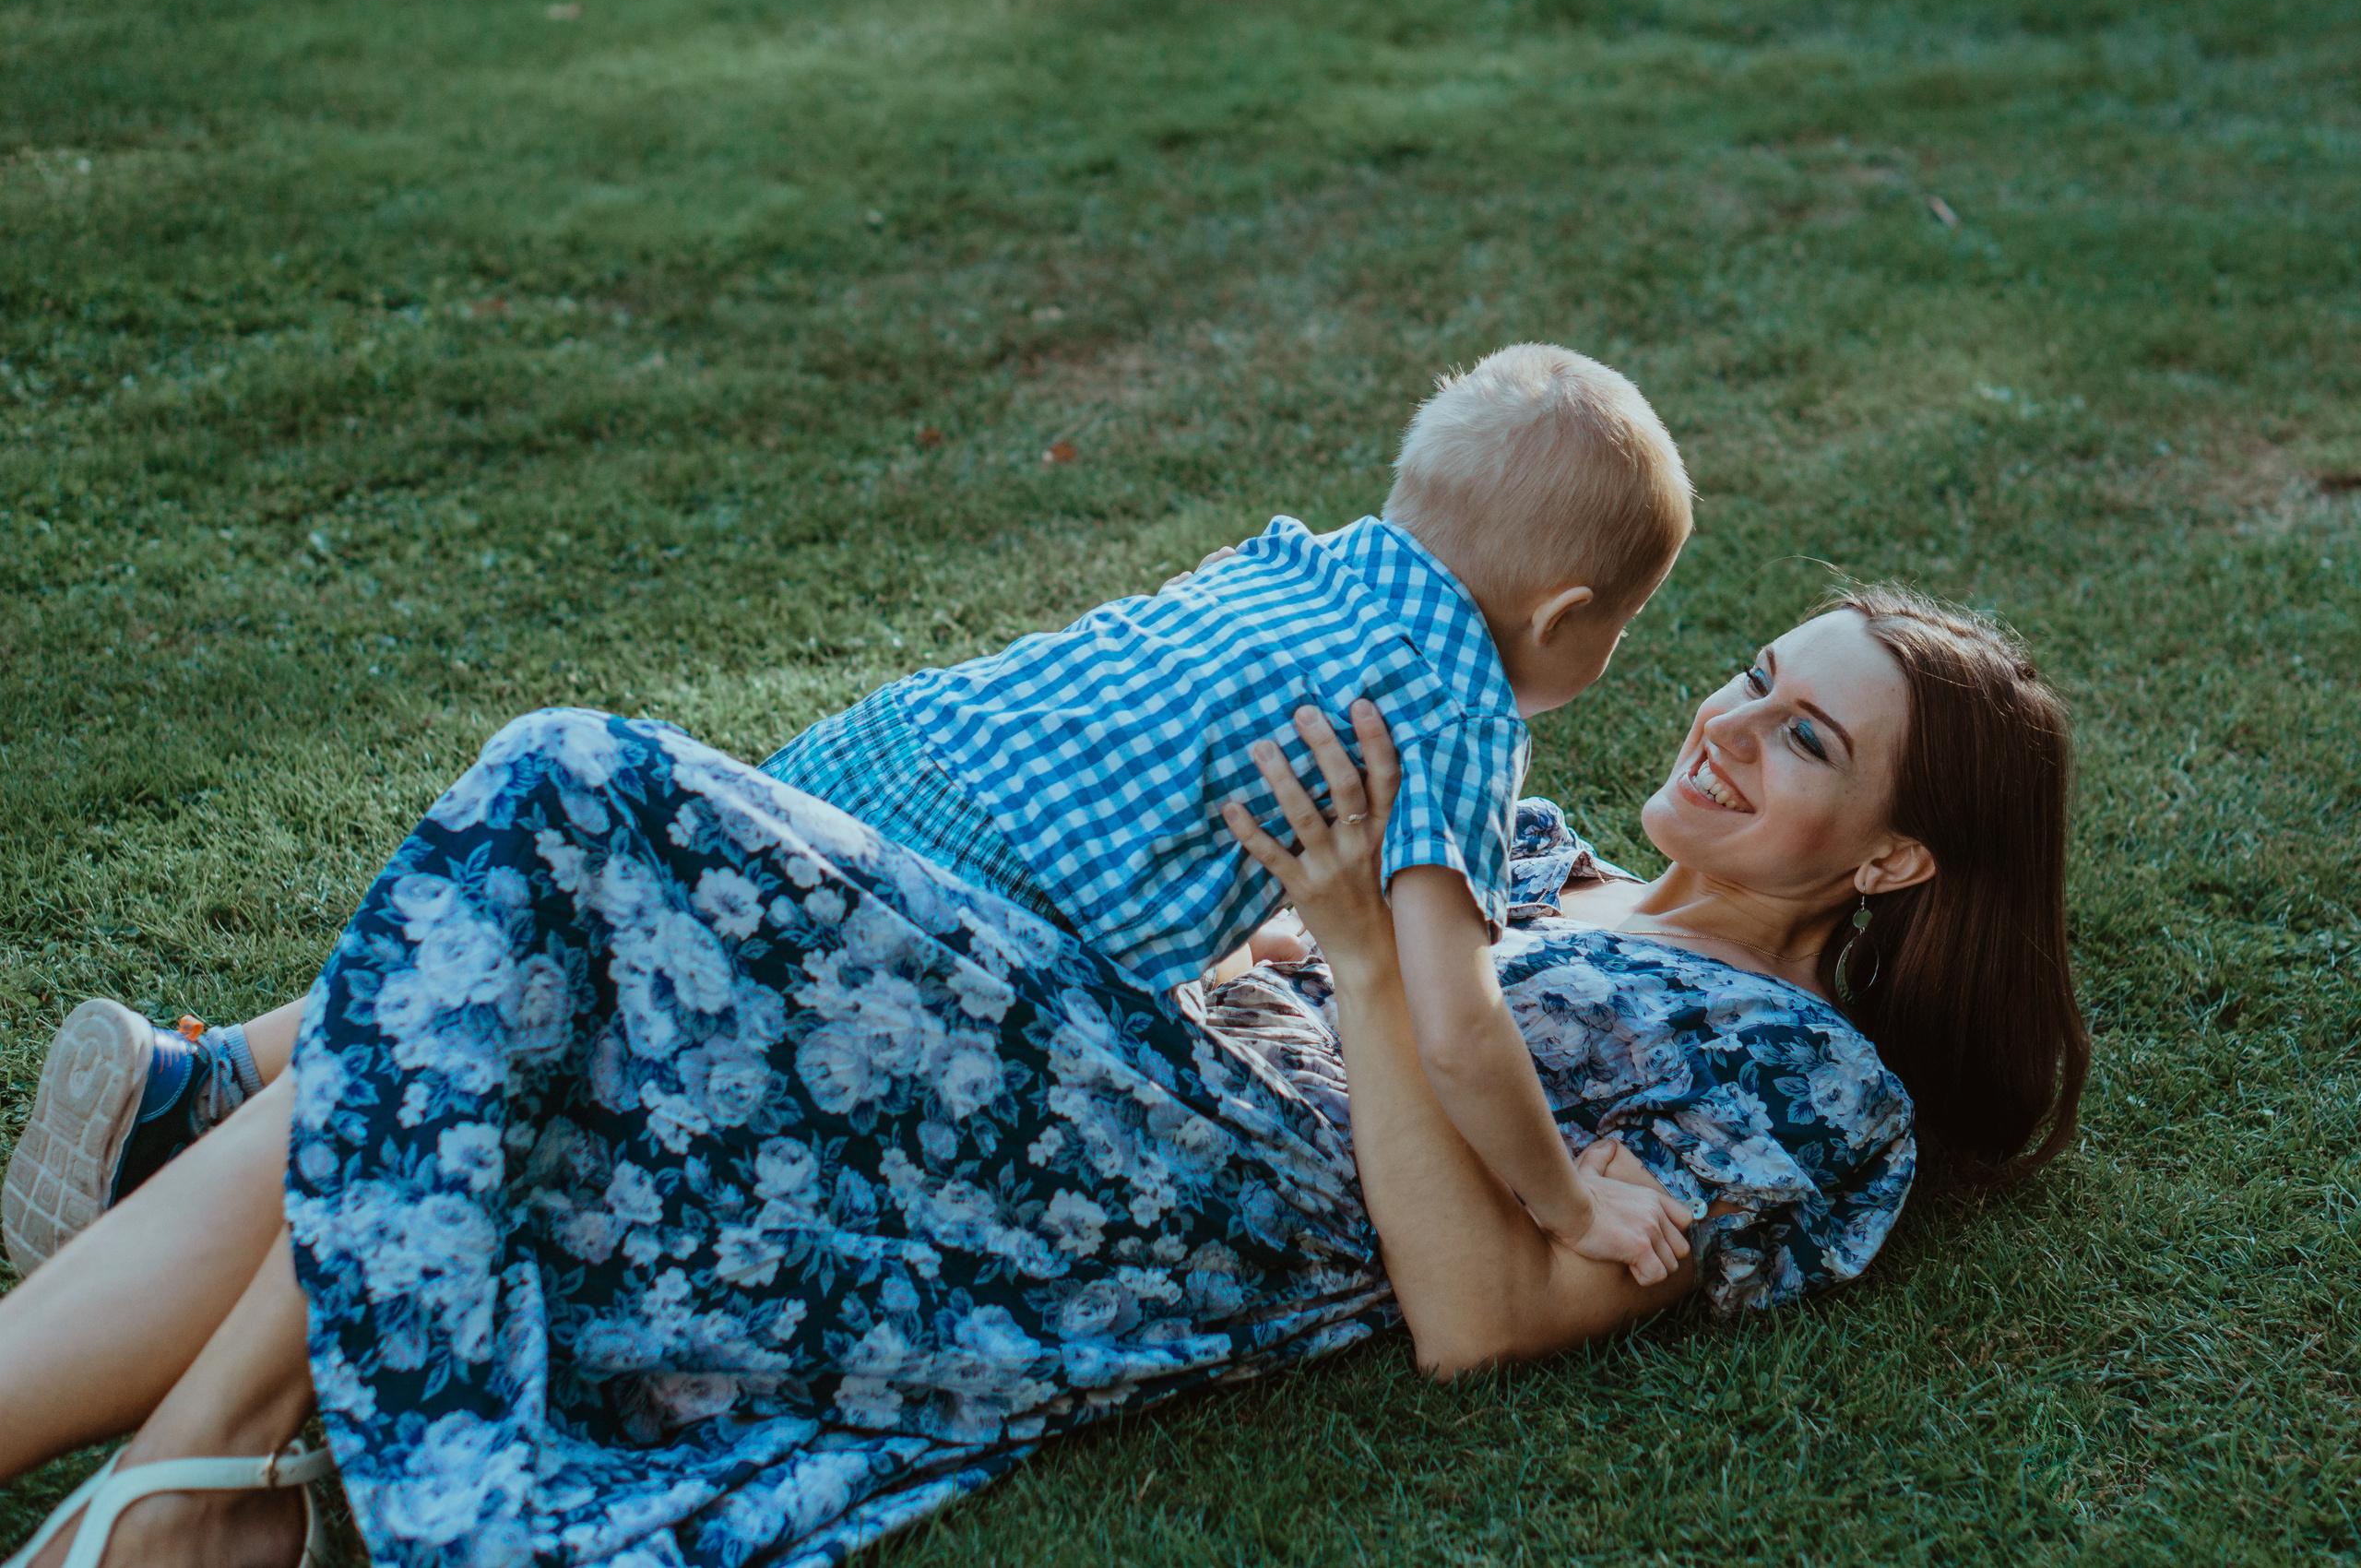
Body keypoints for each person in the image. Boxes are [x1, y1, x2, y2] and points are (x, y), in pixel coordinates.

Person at [0, 584, 2085, 1568]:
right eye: (1750, 674)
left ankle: (199, 1488)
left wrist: (1354, 946)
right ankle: (174, 1497)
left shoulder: (1805, 1088)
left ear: (1895, 858)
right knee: (503, 1029)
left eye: (1803, 738)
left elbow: (1470, 1312)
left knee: (570, 796)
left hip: (1176, 1195)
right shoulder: (1529, 857)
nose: (1729, 722)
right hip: (1072, 1061)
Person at [4, 342, 1700, 1287]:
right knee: (609, 1045)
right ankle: (258, 1227)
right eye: (1617, 633)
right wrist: (1568, 1209)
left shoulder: (1299, 563)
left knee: (569, 919)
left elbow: (1171, 762)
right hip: (946, 908)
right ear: (1562, 621)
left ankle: (210, 1075)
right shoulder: (1463, 709)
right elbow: (1456, 1027)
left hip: (891, 755)